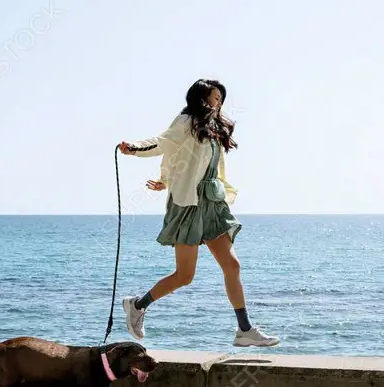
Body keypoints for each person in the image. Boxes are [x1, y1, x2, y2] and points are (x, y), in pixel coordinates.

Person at [118, 79, 280, 347]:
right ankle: (138, 305)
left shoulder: (213, 128)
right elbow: (163, 144)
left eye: (220, 99)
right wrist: (134, 149)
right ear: (201, 98)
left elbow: (196, 162)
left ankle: (244, 330)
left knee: (232, 265)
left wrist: (167, 178)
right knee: (184, 276)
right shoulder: (185, 122)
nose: (218, 103)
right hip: (189, 207)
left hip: (212, 204)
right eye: (214, 98)